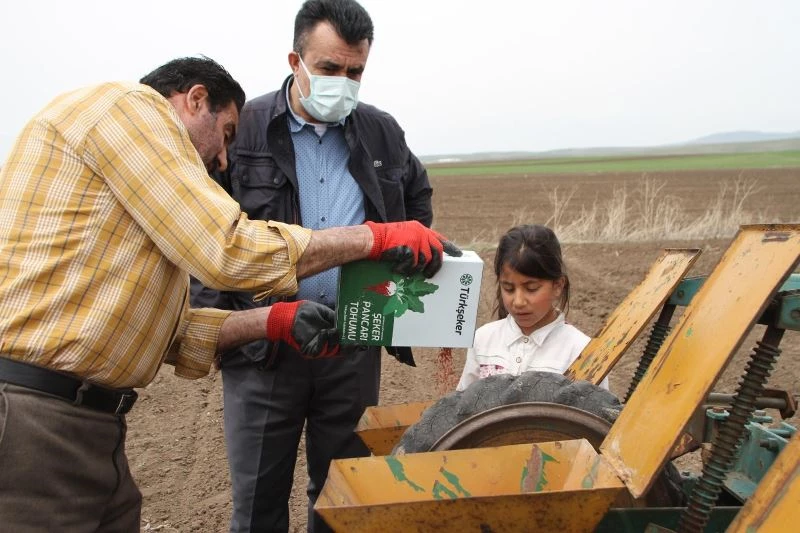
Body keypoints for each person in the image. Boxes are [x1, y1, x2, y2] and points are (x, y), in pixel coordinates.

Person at [0, 56, 459, 532]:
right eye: (226, 134)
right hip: (37, 415)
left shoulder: (133, 204)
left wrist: (273, 322)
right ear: (196, 100)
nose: (223, 159)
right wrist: (373, 238)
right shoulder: (129, 108)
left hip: (89, 423)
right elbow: (227, 250)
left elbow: (168, 335)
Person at [189, 1, 435, 531]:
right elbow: (201, 235)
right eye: (328, 68)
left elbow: (416, 197)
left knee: (343, 498)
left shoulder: (382, 132)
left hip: (352, 343)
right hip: (265, 349)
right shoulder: (245, 130)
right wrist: (225, 332)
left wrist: (398, 274)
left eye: (355, 71)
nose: (342, 83)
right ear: (295, 61)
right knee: (257, 504)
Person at [456, 224, 608, 391]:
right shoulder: (483, 339)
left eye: (531, 288)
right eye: (508, 288)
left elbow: (595, 407)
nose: (518, 301)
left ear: (558, 286)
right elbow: (463, 402)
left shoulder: (581, 350)